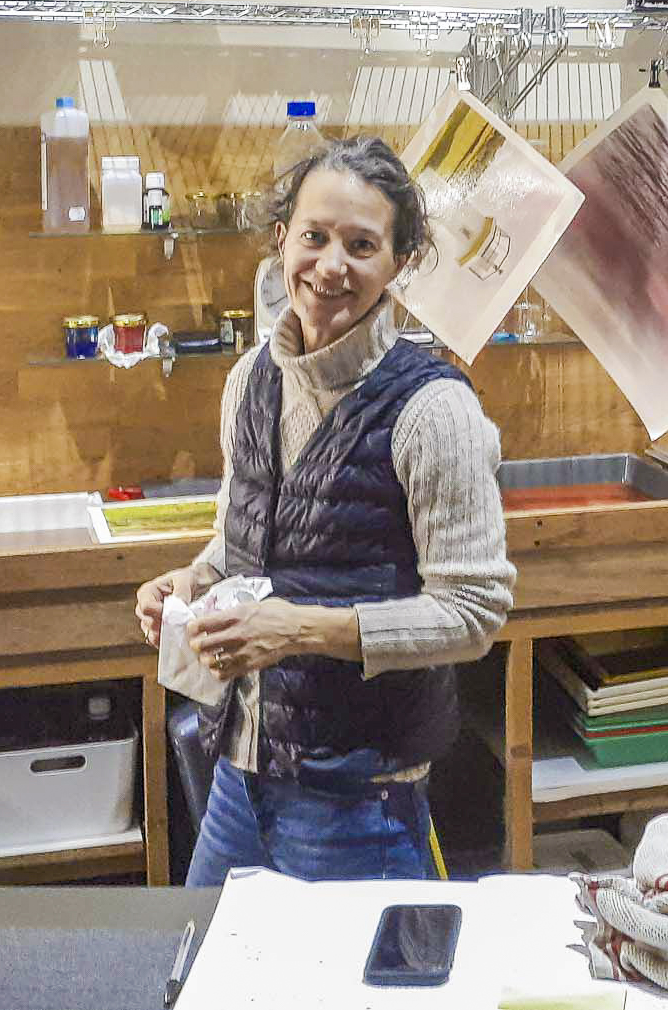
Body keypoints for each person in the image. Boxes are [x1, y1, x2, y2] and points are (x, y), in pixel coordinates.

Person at [134, 136, 514, 885]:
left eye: (361, 244)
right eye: (314, 236)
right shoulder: (249, 380)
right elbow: (236, 540)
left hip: (362, 802)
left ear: (400, 262)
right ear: (282, 241)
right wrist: (189, 580)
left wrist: (298, 628)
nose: (331, 265)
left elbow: (475, 610)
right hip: (237, 782)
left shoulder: (433, 410)